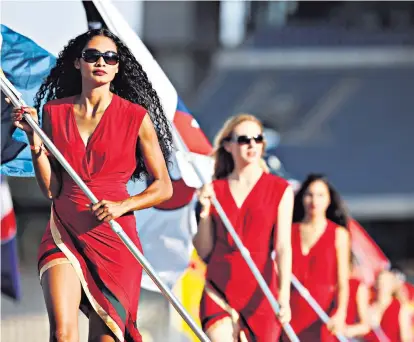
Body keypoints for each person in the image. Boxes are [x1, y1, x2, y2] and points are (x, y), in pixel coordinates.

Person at [10, 28, 173, 342]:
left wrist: (123, 205)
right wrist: (35, 142)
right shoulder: (53, 113)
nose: (101, 61)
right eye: (92, 55)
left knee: (106, 338)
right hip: (64, 230)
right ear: (77, 63)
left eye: (109, 57)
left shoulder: (136, 117)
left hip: (115, 238)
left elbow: (163, 186)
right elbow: (51, 189)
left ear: (116, 68)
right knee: (62, 334)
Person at [192, 114, 294, 341]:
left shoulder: (280, 189)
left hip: (261, 293)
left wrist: (284, 298)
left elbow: (284, 247)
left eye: (257, 139)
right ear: (228, 146)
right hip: (219, 289)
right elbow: (203, 250)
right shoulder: (214, 189)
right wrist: (205, 211)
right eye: (243, 139)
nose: (251, 144)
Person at [285, 174, 351, 341]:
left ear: (329, 200)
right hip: (290, 311)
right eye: (309, 194)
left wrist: (340, 313)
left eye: (320, 195)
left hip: (322, 315)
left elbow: (343, 282)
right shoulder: (288, 231)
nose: (314, 200)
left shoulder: (339, 234)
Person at [365, 270, 413, 342]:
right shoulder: (368, 305)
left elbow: (406, 338)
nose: (382, 285)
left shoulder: (400, 307)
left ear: (392, 286)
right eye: (380, 281)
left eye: (386, 282)